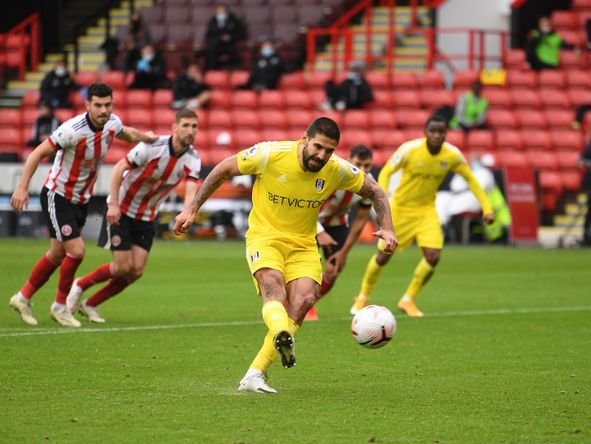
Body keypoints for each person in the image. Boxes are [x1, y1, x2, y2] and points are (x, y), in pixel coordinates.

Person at [173, 117, 397, 393]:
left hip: (303, 244)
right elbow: (224, 169)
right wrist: (192, 209)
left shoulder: (337, 169)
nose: (322, 155)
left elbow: (375, 191)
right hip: (264, 238)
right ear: (304, 139)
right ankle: (282, 333)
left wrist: (387, 229)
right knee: (274, 292)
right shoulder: (270, 154)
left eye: (329, 150)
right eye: (317, 147)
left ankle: (254, 374)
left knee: (304, 300)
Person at [8, 83, 157, 328]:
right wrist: (22, 187)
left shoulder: (111, 123)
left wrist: (146, 137)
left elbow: (126, 133)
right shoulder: (71, 131)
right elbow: (37, 153)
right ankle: (60, 306)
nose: (103, 110)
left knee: (56, 254)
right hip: (58, 195)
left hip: (81, 199)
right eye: (97, 105)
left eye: (107, 105)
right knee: (76, 251)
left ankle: (22, 297)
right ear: (87, 105)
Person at [65, 109, 201, 323]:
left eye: (194, 126)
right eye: (185, 125)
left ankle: (90, 304)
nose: (190, 131)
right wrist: (114, 205)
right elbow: (119, 168)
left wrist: (187, 211)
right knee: (122, 267)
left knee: (136, 271)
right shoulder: (152, 147)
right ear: (174, 127)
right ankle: (80, 284)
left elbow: (192, 187)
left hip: (147, 216)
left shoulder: (193, 159)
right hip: (122, 209)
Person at [350, 114, 494, 318]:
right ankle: (362, 297)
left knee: (433, 256)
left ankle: (408, 299)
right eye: (432, 131)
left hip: (426, 211)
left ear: (446, 134)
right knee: (383, 256)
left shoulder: (452, 155)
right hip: (400, 209)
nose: (436, 135)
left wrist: (487, 209)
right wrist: (381, 198)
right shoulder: (409, 150)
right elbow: (388, 171)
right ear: (425, 132)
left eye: (440, 132)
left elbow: (471, 179)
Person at [308, 144, 375, 321]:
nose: (363, 170)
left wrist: (344, 252)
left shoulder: (369, 184)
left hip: (336, 224)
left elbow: (360, 219)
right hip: (307, 221)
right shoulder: (333, 173)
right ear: (349, 160)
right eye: (358, 164)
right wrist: (320, 232)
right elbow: (305, 206)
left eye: (367, 166)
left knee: (334, 269)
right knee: (308, 267)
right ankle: (299, 305)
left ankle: (308, 304)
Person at [204, 4, 246, 70]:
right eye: (219, 11)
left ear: (226, 12)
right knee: (209, 51)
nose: (220, 13)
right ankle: (212, 71)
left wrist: (230, 37)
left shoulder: (234, 20)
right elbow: (208, 36)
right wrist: (219, 38)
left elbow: (240, 34)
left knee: (235, 51)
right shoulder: (212, 21)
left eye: (222, 11)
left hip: (230, 44)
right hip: (216, 44)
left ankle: (233, 71)